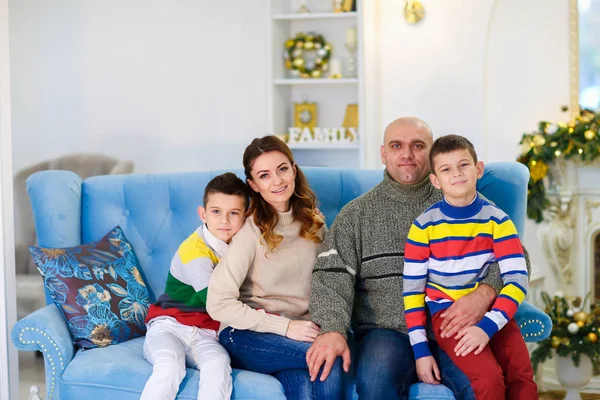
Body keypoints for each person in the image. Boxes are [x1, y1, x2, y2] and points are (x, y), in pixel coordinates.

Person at [308, 117, 531, 399]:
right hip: (387, 332)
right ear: (383, 153)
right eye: (396, 145)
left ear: (432, 152)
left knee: (485, 386)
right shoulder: (356, 215)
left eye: (418, 145)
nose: (407, 154)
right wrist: (332, 327)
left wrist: (485, 293)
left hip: (456, 325)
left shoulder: (460, 196)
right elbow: (331, 276)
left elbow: (516, 258)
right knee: (375, 384)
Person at [207, 136, 345, 400]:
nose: (278, 181)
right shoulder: (250, 230)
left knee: (304, 389)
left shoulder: (314, 223)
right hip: (247, 335)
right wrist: (284, 327)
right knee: (328, 355)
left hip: (299, 334)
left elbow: (330, 283)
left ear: (294, 169)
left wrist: (332, 327)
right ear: (254, 185)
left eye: (282, 169)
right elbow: (218, 303)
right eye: (264, 175)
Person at [403, 134, 537, 399]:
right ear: (435, 181)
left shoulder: (498, 221)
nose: (457, 174)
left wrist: (487, 326)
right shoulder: (423, 227)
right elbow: (412, 293)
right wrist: (420, 351)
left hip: (493, 311)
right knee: (489, 381)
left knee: (522, 376)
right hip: (448, 317)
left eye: (464, 165)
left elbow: (517, 279)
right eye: (446, 169)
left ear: (478, 169)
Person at [141, 172, 248, 400]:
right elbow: (217, 304)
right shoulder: (194, 252)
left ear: (245, 217)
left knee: (218, 365)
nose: (225, 221)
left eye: (234, 213)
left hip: (206, 334)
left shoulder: (242, 242)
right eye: (216, 212)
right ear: (203, 214)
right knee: (170, 366)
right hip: (169, 326)